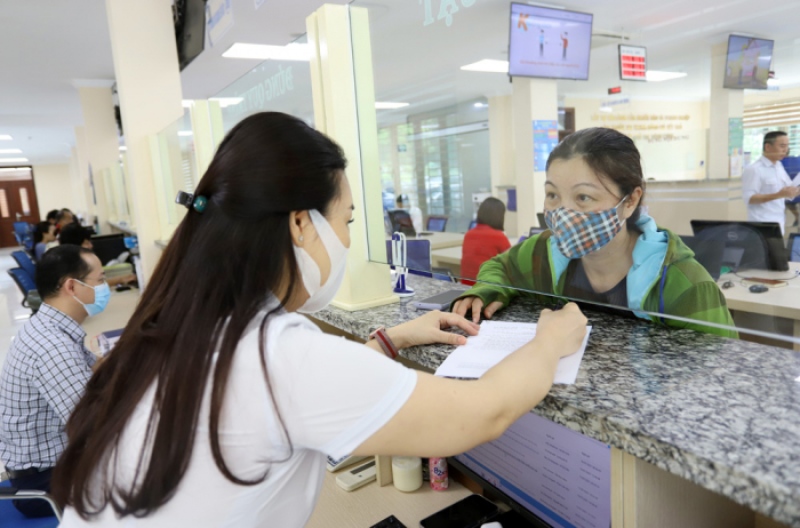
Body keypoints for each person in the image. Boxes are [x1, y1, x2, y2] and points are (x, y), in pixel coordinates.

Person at [52, 112, 587, 526]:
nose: (350, 239)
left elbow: (295, 400)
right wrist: (549, 341)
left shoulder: (178, 325)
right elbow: (482, 414)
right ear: (301, 224)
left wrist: (391, 338)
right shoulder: (278, 354)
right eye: (348, 220)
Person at [453, 127, 737, 338]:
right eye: (552, 195)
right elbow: (500, 267)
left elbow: (721, 369)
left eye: (583, 198)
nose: (563, 213)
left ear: (631, 201)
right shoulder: (542, 252)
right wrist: (487, 291)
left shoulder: (685, 284)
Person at [0, 245, 106, 518]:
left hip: (47, 468)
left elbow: (89, 373)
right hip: (45, 484)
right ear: (72, 286)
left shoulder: (49, 326)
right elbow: (94, 426)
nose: (106, 288)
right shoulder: (53, 347)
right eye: (101, 280)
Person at [742, 131, 800, 234]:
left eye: (787, 146)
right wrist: (778, 195)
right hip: (761, 225)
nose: (785, 150)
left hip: (778, 224)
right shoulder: (754, 169)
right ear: (768, 147)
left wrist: (793, 191)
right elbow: (749, 199)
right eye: (782, 146)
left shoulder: (779, 166)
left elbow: (789, 191)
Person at [58, 224, 136, 287]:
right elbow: (90, 287)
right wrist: (121, 279)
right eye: (86, 243)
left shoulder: (67, 260)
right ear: (75, 246)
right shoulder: (70, 267)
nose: (91, 246)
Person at [460, 197, 511, 285]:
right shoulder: (498, 236)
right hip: (486, 287)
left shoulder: (468, 234)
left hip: (466, 286)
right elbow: (512, 263)